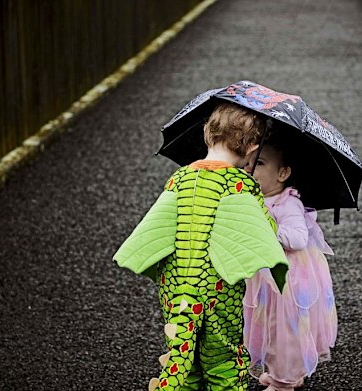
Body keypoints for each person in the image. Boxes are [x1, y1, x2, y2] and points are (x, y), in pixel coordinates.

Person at [113, 102, 289, 391]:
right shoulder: (241, 185)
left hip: (176, 286)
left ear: (208, 135)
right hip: (220, 289)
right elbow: (264, 233)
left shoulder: (179, 178)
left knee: (184, 354)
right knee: (224, 359)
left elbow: (157, 227)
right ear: (250, 149)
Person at [243, 129, 338, 391]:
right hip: (264, 279)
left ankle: (284, 382)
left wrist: (268, 225)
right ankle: (279, 373)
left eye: (259, 164)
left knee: (285, 331)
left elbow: (297, 239)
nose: (250, 169)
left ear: (282, 174)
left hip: (288, 283)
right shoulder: (254, 200)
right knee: (267, 328)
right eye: (247, 163)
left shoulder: (287, 203)